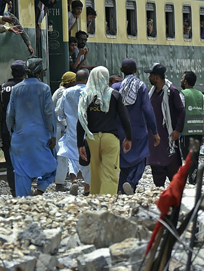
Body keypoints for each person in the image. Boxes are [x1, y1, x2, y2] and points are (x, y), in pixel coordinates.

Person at [76, 67, 132, 195]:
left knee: (95, 172)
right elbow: (125, 119)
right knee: (111, 172)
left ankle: (96, 199)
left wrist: (80, 144)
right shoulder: (115, 95)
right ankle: (107, 200)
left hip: (92, 138)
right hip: (110, 139)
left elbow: (80, 120)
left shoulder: (86, 95)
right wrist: (128, 137)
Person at [6, 58, 57, 196]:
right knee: (52, 164)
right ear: (40, 72)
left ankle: (23, 201)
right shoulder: (44, 88)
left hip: (20, 134)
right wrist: (53, 134)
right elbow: (49, 113)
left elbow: (10, 114)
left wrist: (11, 131)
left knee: (21, 170)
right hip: (41, 134)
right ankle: (41, 187)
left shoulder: (16, 89)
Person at [114, 59, 158, 194]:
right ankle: (132, 182)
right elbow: (147, 109)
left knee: (123, 157)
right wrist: (155, 131)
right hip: (138, 129)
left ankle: (122, 187)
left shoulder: (115, 88)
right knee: (142, 156)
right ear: (135, 70)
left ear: (121, 70)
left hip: (120, 129)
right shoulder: (141, 86)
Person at [146, 63, 186, 185]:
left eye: (151, 76)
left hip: (168, 136)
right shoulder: (152, 92)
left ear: (156, 78)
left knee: (172, 168)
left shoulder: (171, 92)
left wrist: (178, 130)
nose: (149, 78)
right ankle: (159, 192)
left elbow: (181, 111)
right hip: (155, 137)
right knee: (156, 168)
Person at [0, 60, 25, 192]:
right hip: (24, 129)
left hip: (7, 130)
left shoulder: (3, 87)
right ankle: (25, 187)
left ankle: (13, 189)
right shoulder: (26, 86)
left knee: (10, 162)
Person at [57, 68, 90, 194]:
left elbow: (59, 111)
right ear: (87, 80)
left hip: (72, 128)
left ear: (75, 80)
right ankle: (88, 184)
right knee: (87, 154)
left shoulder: (67, 92)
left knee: (71, 154)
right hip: (88, 129)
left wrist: (64, 121)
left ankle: (74, 179)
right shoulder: (90, 92)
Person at [52, 72, 77, 189]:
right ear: (70, 82)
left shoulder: (60, 91)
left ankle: (61, 180)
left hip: (58, 126)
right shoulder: (63, 92)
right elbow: (58, 112)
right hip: (59, 127)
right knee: (62, 155)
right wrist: (66, 124)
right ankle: (59, 183)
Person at [180, 71, 204, 160]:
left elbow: (180, 113)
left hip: (187, 134)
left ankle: (190, 174)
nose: (181, 80)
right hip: (198, 133)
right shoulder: (201, 95)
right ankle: (194, 174)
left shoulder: (183, 94)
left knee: (187, 160)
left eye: (182, 78)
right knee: (195, 159)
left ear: (185, 82)